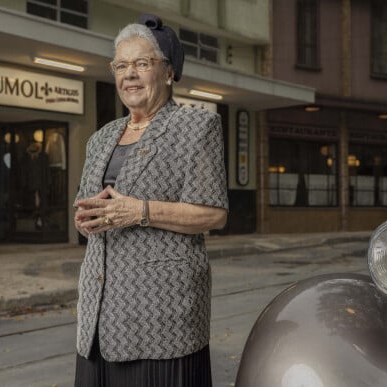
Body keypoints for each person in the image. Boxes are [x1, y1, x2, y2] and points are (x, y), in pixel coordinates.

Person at [72, 13, 228, 387]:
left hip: (162, 315)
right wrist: (86, 219)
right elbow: (87, 203)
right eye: (121, 65)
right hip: (98, 313)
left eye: (142, 63)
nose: (130, 74)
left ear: (169, 72)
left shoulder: (197, 127)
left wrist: (138, 211)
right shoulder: (101, 137)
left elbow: (213, 214)